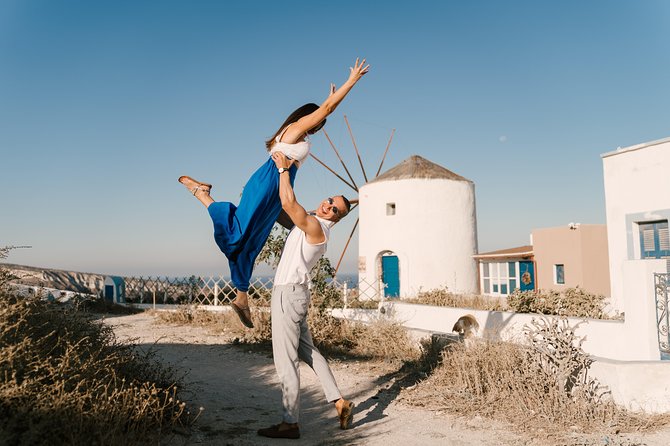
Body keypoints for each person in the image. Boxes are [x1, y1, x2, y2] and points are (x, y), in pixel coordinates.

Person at [179, 58, 369, 328]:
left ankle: (242, 297)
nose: (318, 126)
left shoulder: (297, 136)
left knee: (254, 240)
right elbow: (327, 108)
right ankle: (202, 194)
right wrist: (351, 82)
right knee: (238, 236)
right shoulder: (294, 131)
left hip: (275, 186)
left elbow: (324, 109)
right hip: (270, 180)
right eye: (318, 121)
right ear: (306, 117)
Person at [257, 151, 355, 440]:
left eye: (334, 209)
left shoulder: (316, 228)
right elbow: (283, 211)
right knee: (309, 353)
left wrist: (283, 169)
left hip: (288, 295)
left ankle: (290, 423)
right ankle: (339, 402)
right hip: (296, 295)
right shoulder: (309, 222)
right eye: (329, 200)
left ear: (336, 218)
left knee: (285, 361)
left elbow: (289, 203)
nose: (327, 206)